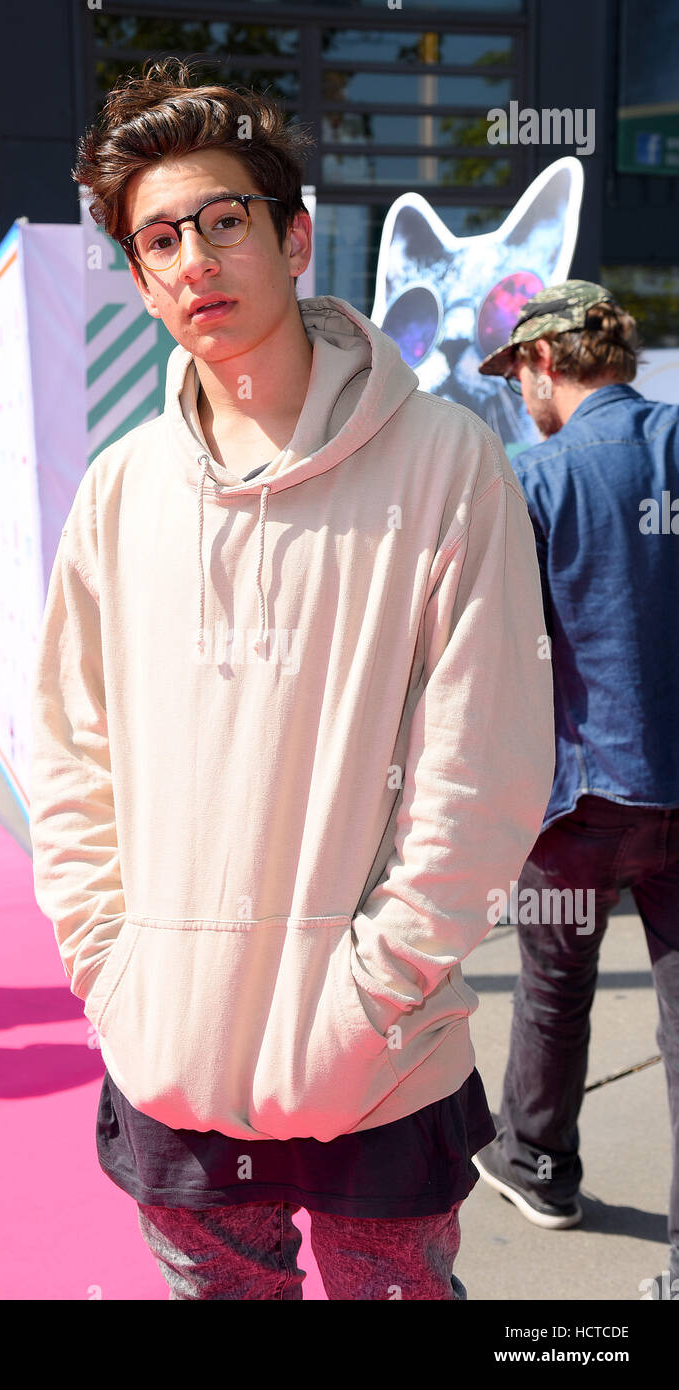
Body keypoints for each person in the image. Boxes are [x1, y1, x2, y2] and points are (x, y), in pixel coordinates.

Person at [28, 58, 554, 1301]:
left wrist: (372, 993)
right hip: (169, 1053)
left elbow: (482, 761)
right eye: (161, 238)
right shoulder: (118, 491)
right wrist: (114, 967)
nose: (196, 258)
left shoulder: (444, 462)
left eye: (223, 221)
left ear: (294, 235)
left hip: (376, 1057)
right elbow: (69, 754)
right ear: (144, 279)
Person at [476, 281, 679, 1299]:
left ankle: (537, 1164)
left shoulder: (535, 476)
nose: (518, 396)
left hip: (576, 801)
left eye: (517, 376)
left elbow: (495, 653)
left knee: (552, 992)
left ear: (543, 362)